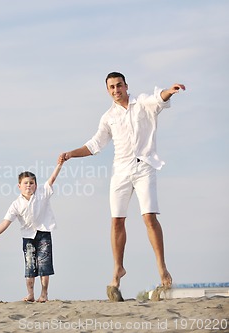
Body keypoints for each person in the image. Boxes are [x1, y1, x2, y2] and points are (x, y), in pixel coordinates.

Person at [61, 72, 185, 301]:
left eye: (119, 85)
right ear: (107, 91)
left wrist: (170, 90)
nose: (116, 90)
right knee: (117, 220)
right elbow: (94, 145)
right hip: (120, 171)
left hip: (144, 167)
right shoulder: (108, 117)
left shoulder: (143, 103)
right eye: (111, 87)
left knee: (149, 217)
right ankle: (118, 270)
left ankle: (163, 270)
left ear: (126, 86)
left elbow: (160, 98)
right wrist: (71, 154)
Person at [0, 155, 64, 303]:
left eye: (31, 183)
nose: (29, 185)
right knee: (30, 265)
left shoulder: (42, 193)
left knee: (44, 264)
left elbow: (52, 179)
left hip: (44, 233)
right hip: (28, 236)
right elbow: (6, 222)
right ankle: (30, 294)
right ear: (19, 186)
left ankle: (44, 294)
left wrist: (59, 165)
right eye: (25, 183)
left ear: (36, 185)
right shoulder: (16, 204)